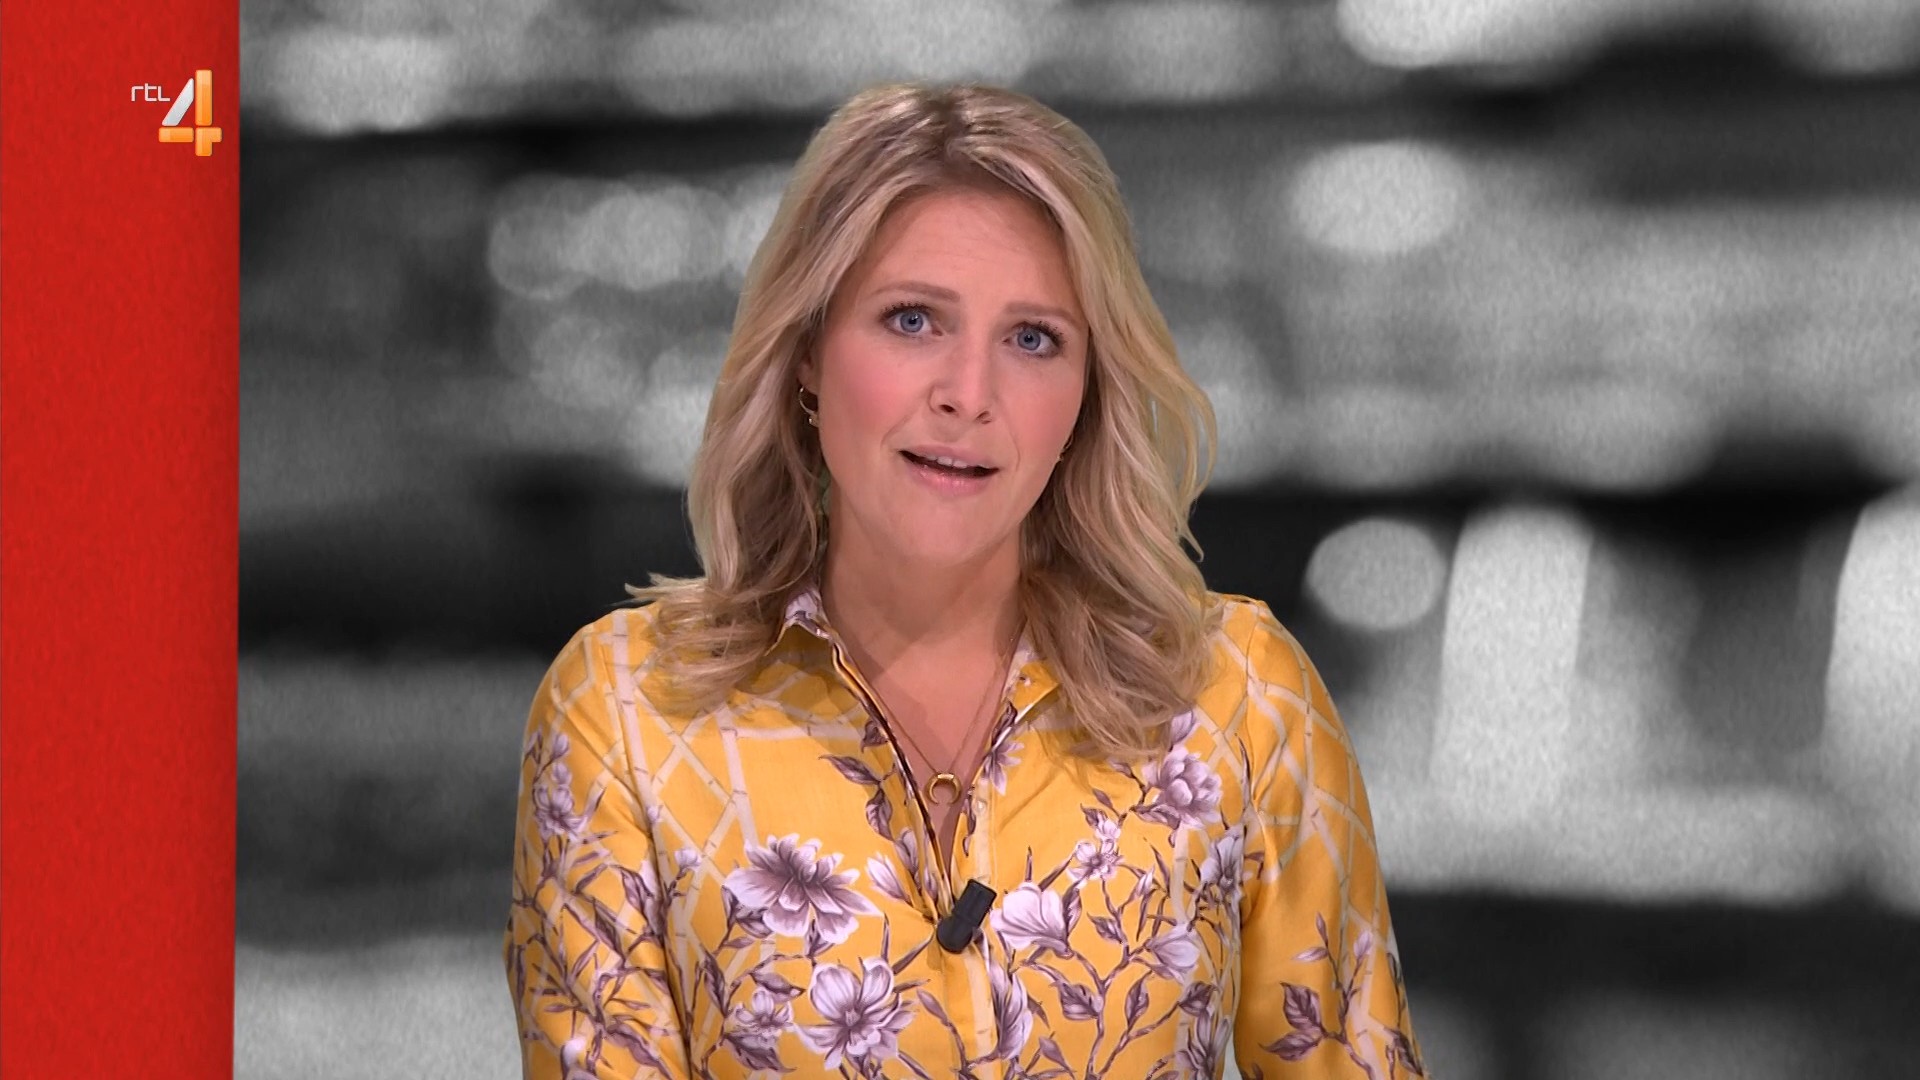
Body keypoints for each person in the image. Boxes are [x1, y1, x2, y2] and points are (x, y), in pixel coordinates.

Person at [504, 81, 1425, 1080]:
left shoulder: (1239, 698)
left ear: (1087, 391)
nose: (969, 395)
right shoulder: (627, 713)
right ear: (808, 351)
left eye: (1033, 340)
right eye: (912, 320)